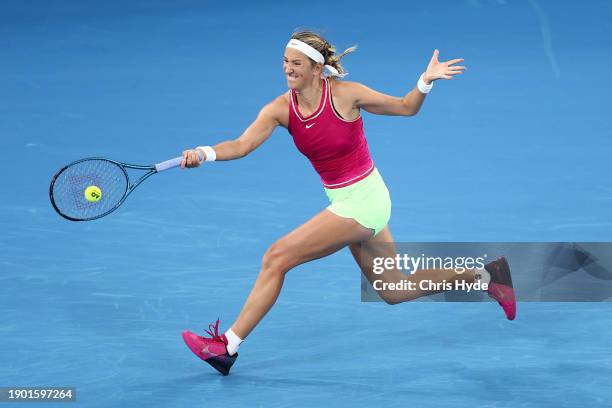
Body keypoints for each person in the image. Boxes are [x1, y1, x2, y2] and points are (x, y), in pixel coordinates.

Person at [179, 31, 516, 376]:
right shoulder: (280, 109)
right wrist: (204, 154)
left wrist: (425, 81)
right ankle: (488, 274)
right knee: (394, 289)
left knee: (276, 258)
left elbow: (405, 107)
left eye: (296, 63)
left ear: (316, 68)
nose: (287, 69)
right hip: (346, 199)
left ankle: (227, 346)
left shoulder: (346, 95)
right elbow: (241, 144)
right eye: (284, 62)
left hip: (365, 199)